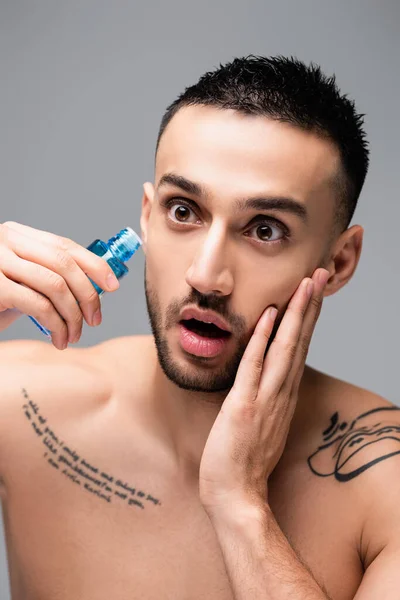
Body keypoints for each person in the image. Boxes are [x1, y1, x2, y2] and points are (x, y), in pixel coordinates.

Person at [0, 55, 398, 600]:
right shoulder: (22, 409)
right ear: (146, 215)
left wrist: (241, 506)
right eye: (183, 211)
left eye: (264, 229)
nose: (206, 275)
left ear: (341, 261)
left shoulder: (384, 484)